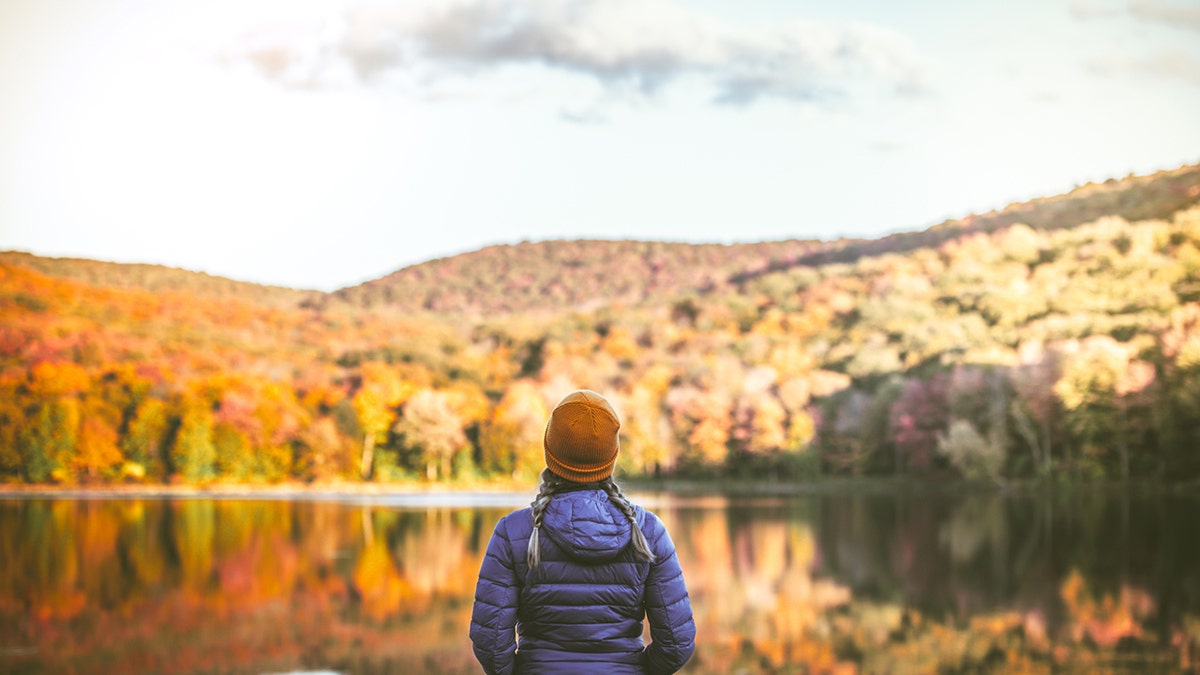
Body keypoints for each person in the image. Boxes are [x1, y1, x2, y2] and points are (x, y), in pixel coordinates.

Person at [470, 390, 696, 674]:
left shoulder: (514, 532)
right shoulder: (648, 530)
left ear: (550, 452)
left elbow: (490, 643)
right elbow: (677, 644)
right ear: (612, 457)